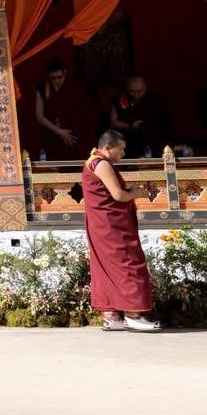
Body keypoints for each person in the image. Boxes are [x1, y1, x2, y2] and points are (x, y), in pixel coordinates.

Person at [82, 130, 160, 331]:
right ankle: (133, 314)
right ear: (108, 148)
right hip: (111, 226)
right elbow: (118, 195)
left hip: (102, 224)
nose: (123, 153)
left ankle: (111, 316)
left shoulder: (94, 162)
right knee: (128, 263)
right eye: (121, 149)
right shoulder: (101, 164)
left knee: (108, 268)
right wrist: (136, 193)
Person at [33, 59, 97, 160]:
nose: (57, 81)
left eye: (60, 77)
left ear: (65, 73)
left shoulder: (74, 88)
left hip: (73, 136)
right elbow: (40, 117)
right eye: (53, 78)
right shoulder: (42, 89)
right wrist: (59, 132)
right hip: (53, 134)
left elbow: (87, 112)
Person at [109, 75, 172, 159]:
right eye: (132, 91)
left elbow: (165, 124)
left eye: (140, 91)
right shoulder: (120, 99)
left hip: (153, 142)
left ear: (145, 87)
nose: (136, 95)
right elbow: (113, 123)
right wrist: (130, 125)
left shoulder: (155, 100)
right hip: (128, 142)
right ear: (127, 88)